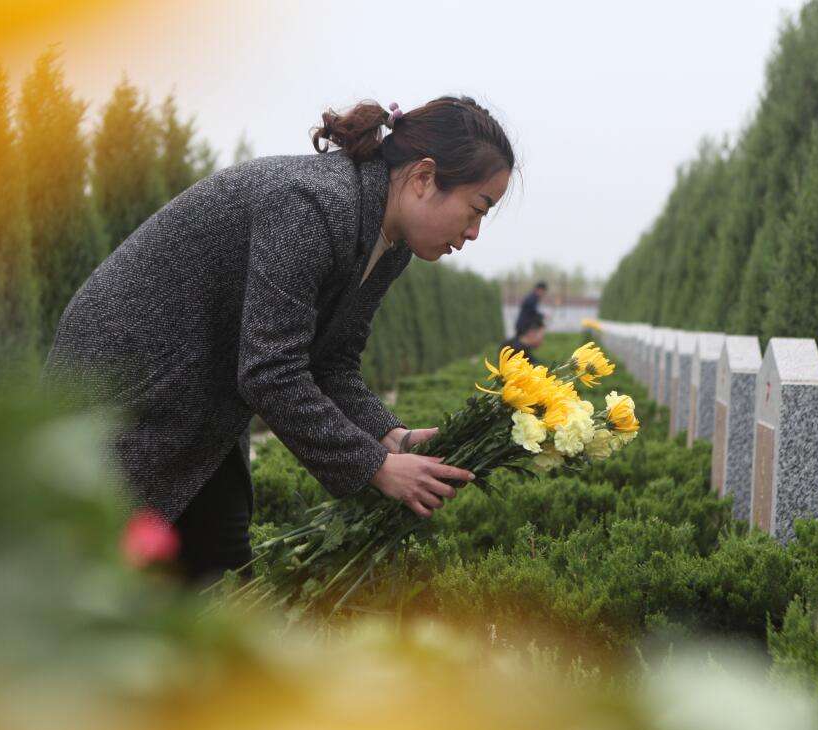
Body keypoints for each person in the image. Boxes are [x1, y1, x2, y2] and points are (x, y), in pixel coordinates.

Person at [45, 97, 515, 586]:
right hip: (127, 389)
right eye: (477, 208)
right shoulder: (311, 203)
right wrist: (376, 467)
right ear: (423, 177)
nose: (476, 232)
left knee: (219, 572)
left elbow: (331, 363)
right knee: (101, 577)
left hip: (203, 398)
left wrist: (391, 437)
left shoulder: (388, 245)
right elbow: (271, 371)